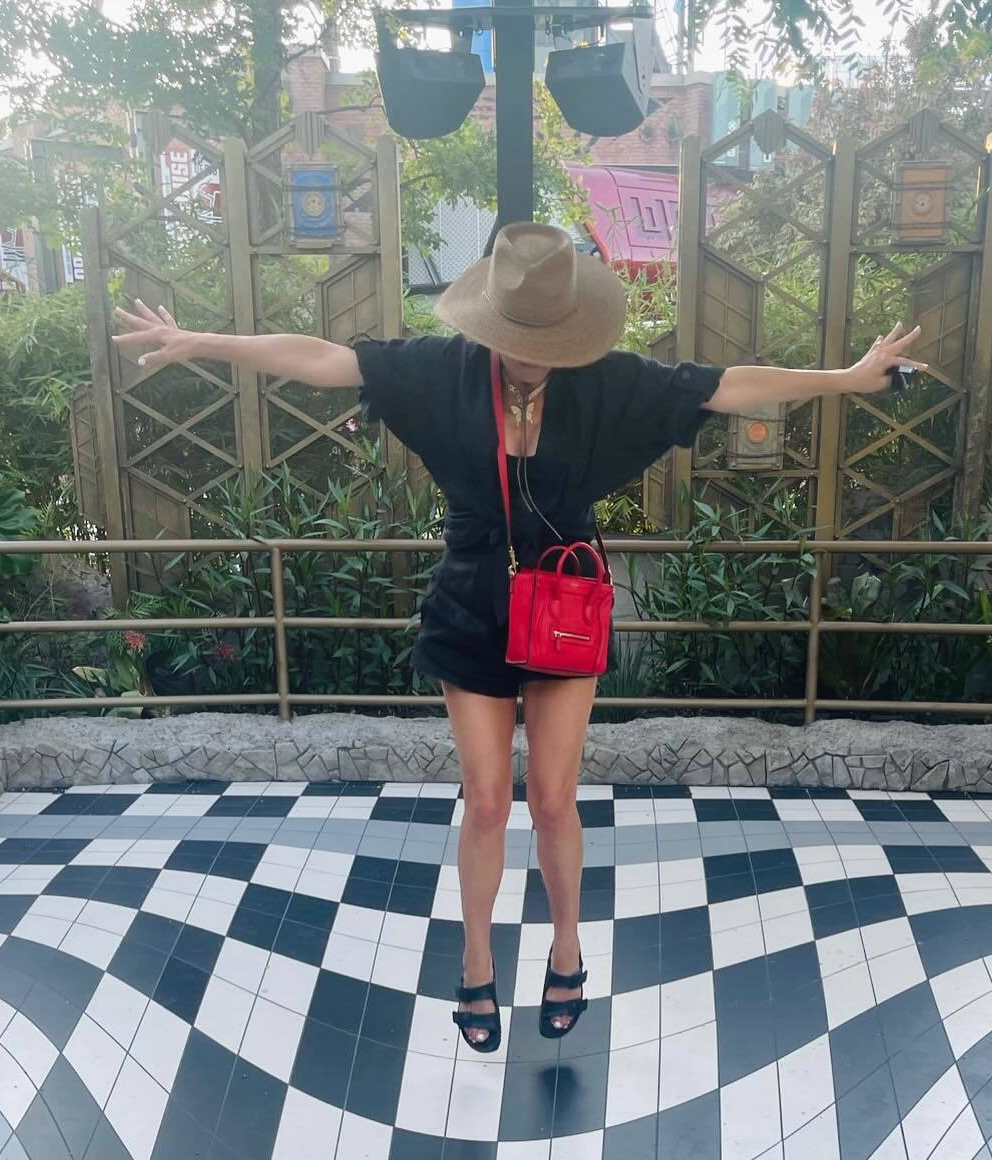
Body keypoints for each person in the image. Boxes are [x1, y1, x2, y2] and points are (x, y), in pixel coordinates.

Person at [113, 223, 919, 1055]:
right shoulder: (443, 373)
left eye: (548, 342)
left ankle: (567, 950)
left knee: (554, 800)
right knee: (489, 800)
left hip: (564, 598)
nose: (533, 358)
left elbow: (722, 385)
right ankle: (475, 960)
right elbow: (325, 359)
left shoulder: (609, 382)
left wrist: (844, 379)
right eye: (519, 339)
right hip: (472, 600)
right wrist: (200, 341)